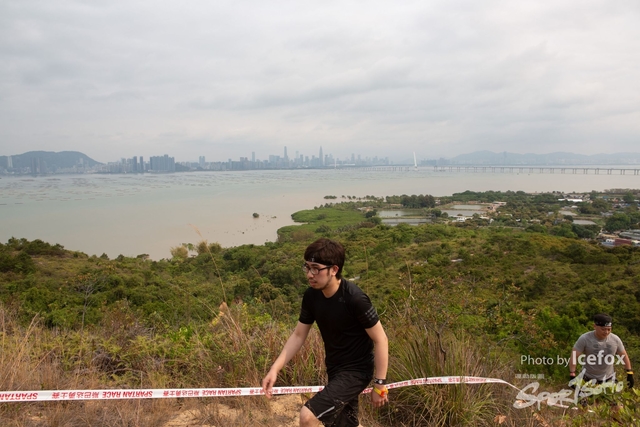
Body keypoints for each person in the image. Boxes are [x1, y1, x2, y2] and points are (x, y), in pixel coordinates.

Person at [262, 238, 389, 427]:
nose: (309, 274)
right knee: (344, 424)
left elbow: (381, 339)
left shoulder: (355, 299)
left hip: (356, 371)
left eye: (316, 269)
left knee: (308, 416)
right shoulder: (311, 296)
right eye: (307, 267)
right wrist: (275, 369)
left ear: (334, 269)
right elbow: (298, 335)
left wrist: (379, 384)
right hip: (334, 368)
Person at [569, 313, 633, 389]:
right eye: (603, 329)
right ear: (595, 326)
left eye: (609, 329)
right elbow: (574, 356)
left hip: (609, 378)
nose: (606, 332)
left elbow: (623, 355)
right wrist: (572, 374)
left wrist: (629, 372)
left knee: (613, 396)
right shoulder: (585, 338)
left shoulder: (615, 339)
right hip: (588, 378)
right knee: (585, 396)